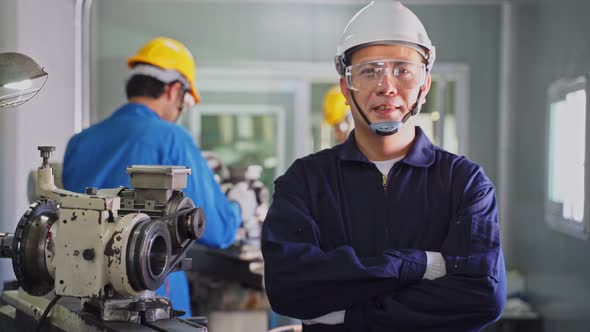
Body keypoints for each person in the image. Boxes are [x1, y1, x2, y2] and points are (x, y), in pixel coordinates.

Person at [261, 1, 506, 331]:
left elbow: (482, 297)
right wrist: (415, 265)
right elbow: (288, 290)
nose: (387, 87)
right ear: (346, 87)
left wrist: (350, 317)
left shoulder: (464, 182)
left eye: (404, 70)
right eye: (370, 71)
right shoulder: (305, 182)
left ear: (424, 85)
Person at [62, 37, 255, 318]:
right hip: (152, 304)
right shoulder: (171, 138)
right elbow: (217, 229)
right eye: (185, 102)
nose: (180, 111)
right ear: (174, 90)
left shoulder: (79, 142)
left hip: (83, 302)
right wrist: (240, 206)